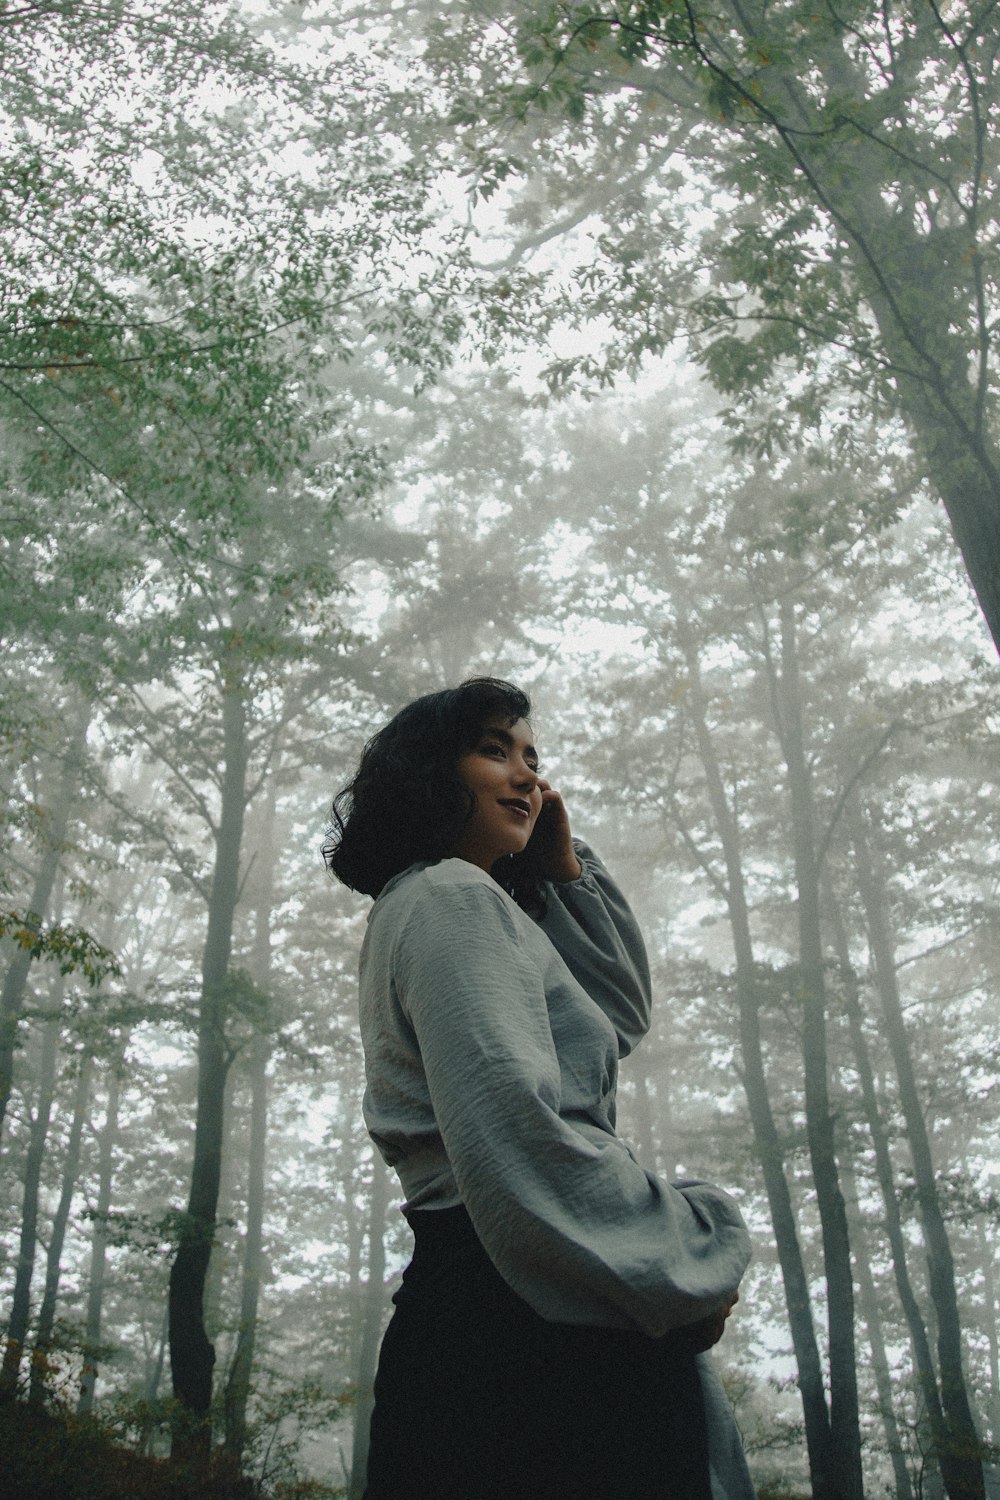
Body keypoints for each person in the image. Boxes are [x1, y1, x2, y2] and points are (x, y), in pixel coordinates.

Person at [324, 677, 755, 1500]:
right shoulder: (452, 898)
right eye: (494, 750)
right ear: (427, 772)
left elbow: (618, 1013)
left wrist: (563, 866)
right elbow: (515, 1133)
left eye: (533, 758)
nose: (528, 776)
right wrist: (674, 1263)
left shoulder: (455, 904)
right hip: (528, 1318)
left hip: (514, 1295)